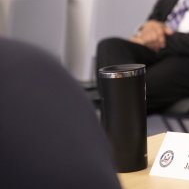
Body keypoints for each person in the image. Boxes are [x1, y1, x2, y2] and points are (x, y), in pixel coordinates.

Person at [0, 37, 121, 189]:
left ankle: (136, 94)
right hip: (149, 45)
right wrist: (147, 28)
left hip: (161, 50)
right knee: (108, 46)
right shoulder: (34, 62)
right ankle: (133, 95)